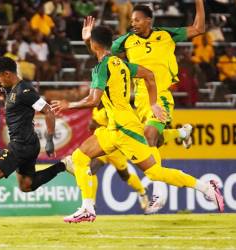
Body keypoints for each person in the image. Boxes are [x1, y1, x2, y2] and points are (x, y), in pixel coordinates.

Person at [52, 25, 224, 223]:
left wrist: (68, 104)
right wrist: (152, 103)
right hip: (114, 128)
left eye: (90, 43)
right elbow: (149, 75)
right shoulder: (121, 63)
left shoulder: (101, 68)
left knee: (155, 172)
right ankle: (87, 208)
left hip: (124, 129)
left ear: (94, 44)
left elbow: (92, 100)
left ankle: (207, 188)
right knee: (80, 157)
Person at [107, 0, 206, 213]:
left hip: (160, 98)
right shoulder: (125, 41)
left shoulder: (166, 35)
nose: (133, 23)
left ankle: (159, 192)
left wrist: (199, 2)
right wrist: (89, 41)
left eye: (137, 20)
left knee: (150, 135)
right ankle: (182, 132)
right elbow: (105, 57)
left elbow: (199, 28)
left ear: (148, 21)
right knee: (154, 139)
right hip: (140, 100)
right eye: (131, 20)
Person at [0, 57, 68, 231]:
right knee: (26, 185)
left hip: (21, 144)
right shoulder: (12, 90)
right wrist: (3, 95)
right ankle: (63, 166)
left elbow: (48, 111)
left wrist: (50, 139)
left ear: (7, 74)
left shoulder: (25, 90)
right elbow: (16, 106)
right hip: (27, 144)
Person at [89, 106, 149, 210]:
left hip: (115, 148)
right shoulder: (95, 109)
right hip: (102, 146)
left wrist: (97, 125)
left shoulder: (108, 109)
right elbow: (92, 125)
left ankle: (142, 192)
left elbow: (114, 124)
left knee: (125, 176)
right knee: (91, 170)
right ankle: (91, 202)